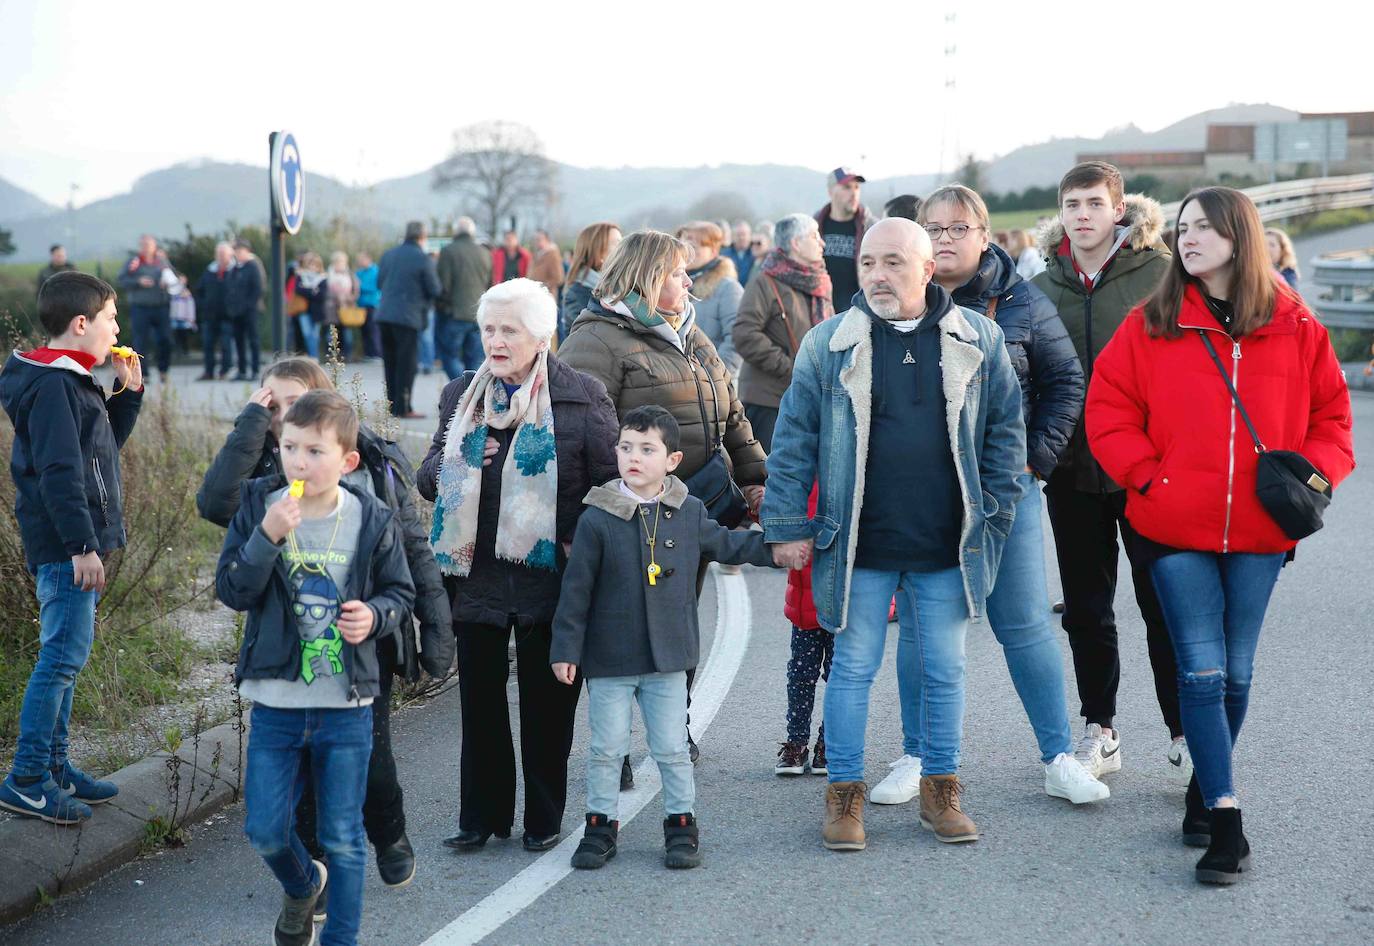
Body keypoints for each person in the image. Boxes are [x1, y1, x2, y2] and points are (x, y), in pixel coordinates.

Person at [1086, 186, 1354, 884]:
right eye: (1183, 227)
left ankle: (1205, 786)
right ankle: (1227, 820)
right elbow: (1107, 409)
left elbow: (1333, 420)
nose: (1190, 237)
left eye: (1205, 226)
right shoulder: (1153, 324)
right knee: (1201, 671)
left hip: (1262, 533)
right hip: (1171, 526)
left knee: (1237, 672)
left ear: (1241, 235)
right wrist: (1148, 478)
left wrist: (1314, 481)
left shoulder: (1297, 327)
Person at [760, 218, 1027, 851]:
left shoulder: (979, 339)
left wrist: (993, 510)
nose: (877, 275)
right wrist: (787, 526)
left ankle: (941, 791)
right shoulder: (828, 344)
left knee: (945, 670)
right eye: (869, 263)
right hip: (857, 541)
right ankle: (844, 799)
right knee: (852, 669)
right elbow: (794, 442)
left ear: (928, 269)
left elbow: (1004, 435)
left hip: (946, 542)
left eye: (893, 263)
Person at [875, 184, 1103, 806]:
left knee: (1025, 625)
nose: (945, 239)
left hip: (1006, 492)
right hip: (922, 499)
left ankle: (1059, 758)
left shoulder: (1022, 301)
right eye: (934, 228)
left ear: (984, 236)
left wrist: (1034, 462)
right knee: (922, 631)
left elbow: (1065, 382)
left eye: (957, 228)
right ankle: (917, 756)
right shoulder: (892, 299)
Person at [196, 357, 451, 899]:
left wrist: (434, 629)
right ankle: (315, 877)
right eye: (275, 405)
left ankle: (389, 831)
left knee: (374, 763)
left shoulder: (373, 464)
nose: (285, 416)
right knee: (307, 777)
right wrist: (250, 422)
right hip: (289, 652)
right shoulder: (268, 475)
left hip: (362, 648)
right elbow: (214, 503)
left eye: (294, 402)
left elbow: (411, 549)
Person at [416, 278, 619, 853]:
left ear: (541, 335)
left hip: (552, 576)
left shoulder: (582, 395)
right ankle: (480, 818)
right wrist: (455, 462)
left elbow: (610, 483)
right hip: (475, 572)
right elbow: (427, 472)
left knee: (547, 706)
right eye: (489, 329)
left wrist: (587, 548)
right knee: (479, 705)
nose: (496, 341)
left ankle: (544, 819)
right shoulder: (461, 394)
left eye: (509, 330)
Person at [559, 230, 768, 770]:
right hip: (622, 516)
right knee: (620, 630)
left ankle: (675, 725)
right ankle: (616, 743)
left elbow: (732, 414)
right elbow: (579, 433)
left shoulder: (690, 334)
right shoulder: (596, 338)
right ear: (649, 276)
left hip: (686, 506)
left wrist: (755, 479)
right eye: (678, 273)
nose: (688, 282)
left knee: (676, 625)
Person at [218, 391, 416, 946]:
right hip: (277, 704)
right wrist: (266, 538)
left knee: (345, 836)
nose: (298, 462)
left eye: (313, 450)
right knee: (265, 830)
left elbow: (401, 592)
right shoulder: (260, 505)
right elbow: (232, 589)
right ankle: (304, 884)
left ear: (347, 461)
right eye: (288, 448)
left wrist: (374, 617)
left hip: (346, 706)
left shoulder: (371, 516)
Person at [552, 405, 783, 870]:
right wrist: (565, 650)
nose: (633, 457)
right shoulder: (597, 517)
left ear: (672, 461)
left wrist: (778, 550)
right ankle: (600, 826)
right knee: (605, 748)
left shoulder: (688, 510)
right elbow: (575, 592)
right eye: (626, 448)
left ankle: (681, 823)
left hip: (668, 659)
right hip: (610, 659)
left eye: (647, 449)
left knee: (672, 748)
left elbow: (731, 543)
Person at [1031, 161, 1185, 780]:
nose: (1083, 215)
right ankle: (1102, 730)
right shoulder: (1043, 288)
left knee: (1163, 605)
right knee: (1088, 609)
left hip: (1147, 471)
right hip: (1071, 473)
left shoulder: (1163, 275)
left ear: (1119, 209)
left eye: (1095, 203)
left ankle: (1184, 733)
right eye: (1072, 205)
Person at [0, 272, 142, 825]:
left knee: (67, 657)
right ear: (80, 324)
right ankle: (28, 778)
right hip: (65, 546)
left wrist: (127, 398)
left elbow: (99, 451)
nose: (117, 329)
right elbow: (60, 471)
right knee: (60, 658)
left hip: (73, 544)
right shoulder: (56, 383)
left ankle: (56, 766)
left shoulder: (74, 378)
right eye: (110, 318)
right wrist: (84, 545)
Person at [732, 212, 834, 453]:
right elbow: (744, 334)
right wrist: (791, 367)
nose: (822, 243)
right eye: (814, 236)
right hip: (769, 401)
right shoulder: (764, 282)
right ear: (796, 244)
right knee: (771, 476)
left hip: (811, 396)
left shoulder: (820, 282)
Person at [376, 221, 442, 419]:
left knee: (390, 362)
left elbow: (380, 283)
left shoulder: (388, 254)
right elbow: (434, 289)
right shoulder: (423, 259)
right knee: (407, 364)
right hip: (408, 317)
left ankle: (392, 405)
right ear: (422, 237)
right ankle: (404, 408)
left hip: (384, 315)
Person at [677, 221, 744, 377]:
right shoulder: (674, 287)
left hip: (714, 383)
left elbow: (736, 340)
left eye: (693, 246)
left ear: (713, 251)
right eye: (681, 245)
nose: (686, 251)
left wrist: (716, 377)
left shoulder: (728, 288)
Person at [436, 217, 492, 377]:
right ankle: (472, 394)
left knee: (449, 356)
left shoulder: (448, 251)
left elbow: (443, 286)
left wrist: (441, 307)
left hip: (455, 314)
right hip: (479, 315)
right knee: (474, 360)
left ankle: (460, 391)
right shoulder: (485, 253)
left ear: (456, 232)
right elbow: (490, 284)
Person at [814, 167, 876, 311]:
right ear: (830, 192)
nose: (854, 193)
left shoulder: (871, 228)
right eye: (847, 187)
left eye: (856, 187)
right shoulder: (815, 226)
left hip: (859, 312)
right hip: (822, 312)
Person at [118, 234, 174, 381]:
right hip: (140, 307)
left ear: (155, 246)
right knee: (140, 341)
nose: (147, 248)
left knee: (165, 339)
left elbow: (173, 277)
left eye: (149, 244)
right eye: (144, 245)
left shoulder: (161, 261)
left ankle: (164, 370)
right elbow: (122, 280)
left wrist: (169, 283)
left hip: (161, 306)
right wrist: (138, 282)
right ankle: (143, 373)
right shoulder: (134, 262)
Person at [560, 222, 621, 342]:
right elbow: (583, 341)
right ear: (598, 251)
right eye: (617, 243)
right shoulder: (577, 294)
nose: (623, 249)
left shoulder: (619, 287)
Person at [195, 242, 236, 380]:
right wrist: (203, 305)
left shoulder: (235, 271)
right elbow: (199, 290)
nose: (221, 257)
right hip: (210, 316)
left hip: (228, 316)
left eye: (224, 254)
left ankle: (225, 370)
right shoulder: (209, 271)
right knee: (208, 345)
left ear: (230, 255)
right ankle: (209, 371)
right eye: (219, 254)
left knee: (226, 345)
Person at [226, 239, 265, 382]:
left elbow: (258, 289)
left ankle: (255, 370)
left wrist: (248, 306)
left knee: (253, 340)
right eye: (235, 251)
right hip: (236, 312)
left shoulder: (253, 266)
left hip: (250, 311)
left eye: (240, 251)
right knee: (239, 341)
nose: (237, 254)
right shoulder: (235, 268)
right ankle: (241, 370)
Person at [293, 253, 328, 360]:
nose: (312, 268)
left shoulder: (322, 278)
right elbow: (298, 290)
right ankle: (313, 357)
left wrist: (307, 290)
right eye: (310, 265)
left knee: (315, 335)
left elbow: (322, 295)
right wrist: (312, 291)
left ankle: (314, 357)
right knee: (307, 334)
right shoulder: (301, 276)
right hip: (304, 310)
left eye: (315, 265)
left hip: (317, 312)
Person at [326, 251, 359, 359]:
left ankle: (347, 356)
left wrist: (346, 298)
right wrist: (336, 297)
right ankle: (332, 357)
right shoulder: (328, 275)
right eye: (337, 262)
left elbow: (356, 292)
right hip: (332, 309)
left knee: (347, 334)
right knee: (331, 334)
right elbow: (324, 292)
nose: (339, 264)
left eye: (341, 262)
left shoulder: (350, 275)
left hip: (346, 309)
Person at [355, 252, 382, 361]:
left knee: (373, 329)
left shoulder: (376, 271)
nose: (360, 263)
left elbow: (373, 287)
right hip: (361, 304)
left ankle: (377, 353)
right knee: (364, 330)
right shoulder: (359, 272)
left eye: (361, 260)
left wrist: (359, 286)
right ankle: (368, 353)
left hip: (372, 304)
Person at [529, 229, 565, 303]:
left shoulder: (552, 254)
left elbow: (559, 278)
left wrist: (542, 286)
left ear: (547, 240)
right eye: (535, 239)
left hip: (547, 296)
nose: (536, 242)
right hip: (534, 296)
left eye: (539, 239)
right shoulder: (537, 254)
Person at [721, 220, 755, 285]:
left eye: (744, 234)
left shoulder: (756, 254)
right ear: (732, 236)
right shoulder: (724, 255)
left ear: (750, 235)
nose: (742, 238)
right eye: (738, 235)